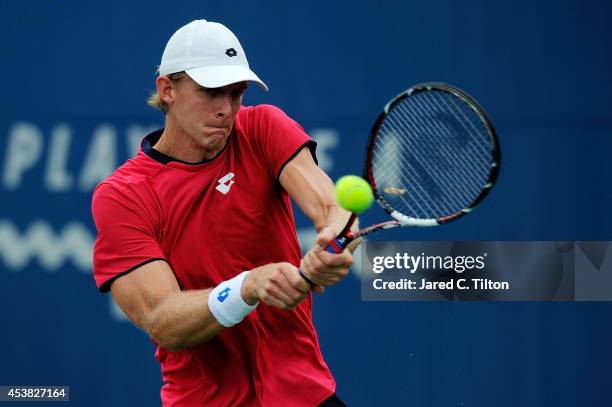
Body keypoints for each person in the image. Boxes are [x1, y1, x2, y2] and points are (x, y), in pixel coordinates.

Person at [91, 19, 357, 406]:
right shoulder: (123, 196)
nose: (226, 109)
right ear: (167, 90)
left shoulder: (263, 127)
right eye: (211, 92)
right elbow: (163, 321)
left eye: (236, 94)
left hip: (306, 395)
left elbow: (331, 208)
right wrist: (247, 287)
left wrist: (334, 243)